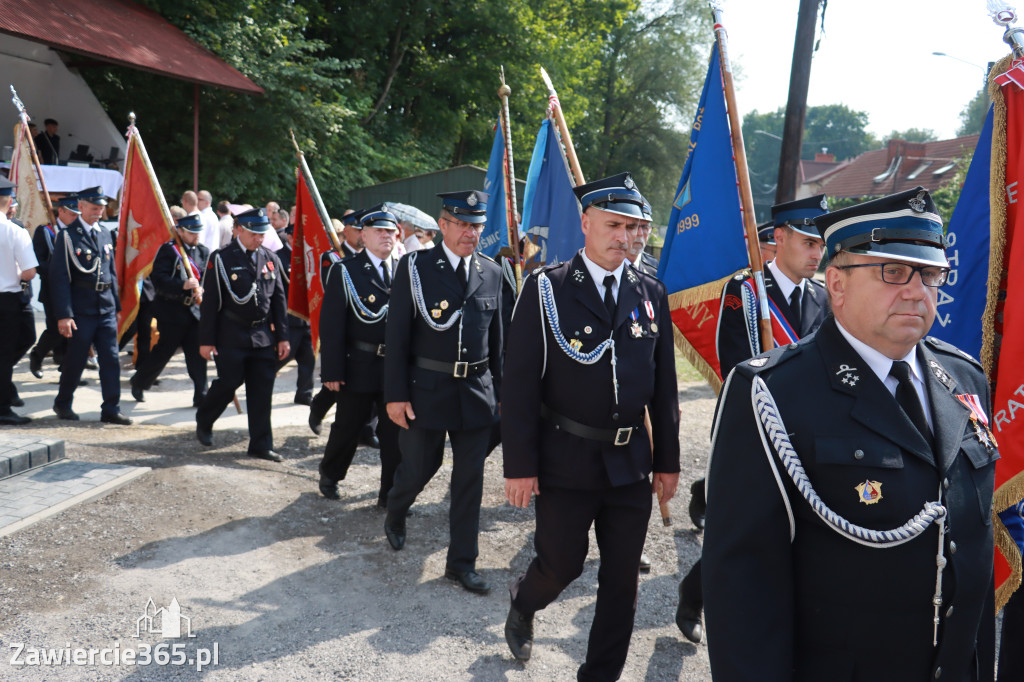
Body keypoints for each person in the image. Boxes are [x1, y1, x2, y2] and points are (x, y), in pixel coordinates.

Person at [702, 187, 997, 681]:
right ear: (836, 283)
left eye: (929, 275)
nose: (916, 291)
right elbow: (743, 585)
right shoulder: (773, 392)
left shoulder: (964, 379)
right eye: (893, 271)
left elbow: (972, 548)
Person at [501, 173, 680, 680]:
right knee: (561, 565)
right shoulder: (547, 288)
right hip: (566, 459)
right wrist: (520, 466)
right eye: (613, 224)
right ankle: (524, 600)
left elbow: (664, 387)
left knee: (622, 581)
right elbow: (519, 388)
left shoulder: (650, 291)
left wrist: (667, 462)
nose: (624, 237)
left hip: (629, 464)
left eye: (633, 227)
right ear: (585, 223)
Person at [676, 194, 831, 643]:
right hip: (754, 430)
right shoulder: (743, 292)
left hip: (807, 437)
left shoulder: (822, 296)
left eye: (821, 245)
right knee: (741, 528)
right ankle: (693, 595)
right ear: (778, 238)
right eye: (807, 242)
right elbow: (734, 365)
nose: (817, 254)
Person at [383, 190, 503, 595]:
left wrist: (501, 394)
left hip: (475, 392)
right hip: (426, 391)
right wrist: (395, 395)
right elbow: (397, 336)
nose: (471, 233)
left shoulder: (492, 271)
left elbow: (498, 343)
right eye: (464, 224)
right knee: (418, 469)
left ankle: (461, 562)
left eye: (477, 226)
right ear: (444, 224)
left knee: (470, 479)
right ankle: (396, 510)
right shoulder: (415, 268)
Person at [318, 205, 401, 506]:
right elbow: (331, 326)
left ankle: (389, 494)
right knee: (348, 427)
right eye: (379, 231)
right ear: (363, 235)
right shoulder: (345, 270)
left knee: (395, 434)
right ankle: (330, 474)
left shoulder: (407, 269)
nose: (385, 236)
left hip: (395, 367)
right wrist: (331, 371)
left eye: (390, 231)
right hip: (359, 365)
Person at [196, 207, 290, 461]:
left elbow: (279, 301)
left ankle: (261, 444)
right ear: (238, 230)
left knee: (262, 391)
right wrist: (207, 340)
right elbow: (210, 302)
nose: (259, 238)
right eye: (253, 234)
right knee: (228, 383)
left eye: (262, 233)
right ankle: (205, 419)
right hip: (231, 334)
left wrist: (283, 336)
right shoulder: (222, 258)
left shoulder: (270, 257)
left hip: (262, 336)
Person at [49, 186, 131, 424]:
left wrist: (115, 305)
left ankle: (111, 408)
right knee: (75, 360)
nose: (98, 213)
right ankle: (63, 403)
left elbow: (111, 272)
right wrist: (65, 315)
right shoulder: (67, 236)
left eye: (101, 209)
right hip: (81, 309)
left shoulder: (105, 234)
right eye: (94, 208)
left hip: (104, 307)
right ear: (81, 206)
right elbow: (60, 278)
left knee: (111, 359)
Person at [130, 214, 209, 407]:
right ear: (180, 231)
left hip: (194, 311)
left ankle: (201, 393)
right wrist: (181, 284)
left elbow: (206, 276)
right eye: (191, 233)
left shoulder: (203, 251)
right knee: (164, 351)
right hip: (171, 310)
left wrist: (203, 289)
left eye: (197, 233)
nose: (195, 236)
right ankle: (139, 382)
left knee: (197, 355)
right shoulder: (168, 250)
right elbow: (159, 278)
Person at [29, 195, 81, 378]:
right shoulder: (45, 231)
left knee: (72, 331)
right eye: (72, 214)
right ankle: (37, 355)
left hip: (74, 290)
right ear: (61, 211)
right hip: (52, 289)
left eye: (77, 214)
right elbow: (37, 260)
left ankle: (66, 372)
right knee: (55, 329)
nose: (76, 218)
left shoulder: (78, 232)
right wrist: (56, 270)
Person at [0, 177, 37, 425]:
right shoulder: (14, 230)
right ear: (9, 201)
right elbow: (30, 271)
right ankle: (2, 407)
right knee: (6, 354)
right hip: (8, 301)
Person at [273, 217, 315, 405]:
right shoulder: (279, 257)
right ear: (289, 237)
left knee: (308, 359)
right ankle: (258, 377)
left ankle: (304, 394)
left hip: (307, 318)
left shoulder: (309, 257)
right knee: (283, 356)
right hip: (289, 318)